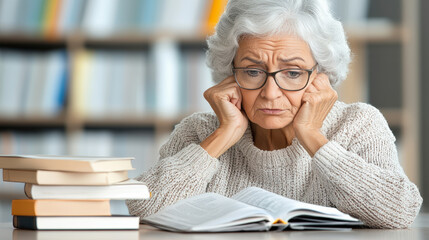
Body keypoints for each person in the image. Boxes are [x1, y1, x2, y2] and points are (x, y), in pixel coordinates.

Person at [127, 0, 422, 228]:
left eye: (292, 73)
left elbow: (399, 212)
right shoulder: (201, 132)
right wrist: (222, 136)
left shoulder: (358, 124)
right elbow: (143, 209)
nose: (270, 93)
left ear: (322, 76)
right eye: (253, 71)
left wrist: (314, 138)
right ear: (229, 72)